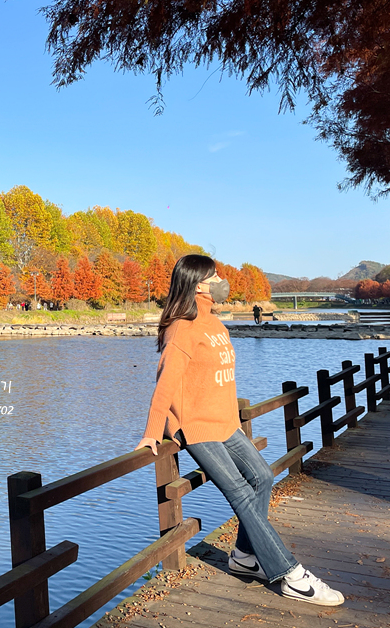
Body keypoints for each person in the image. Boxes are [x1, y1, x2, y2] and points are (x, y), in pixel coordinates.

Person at [135, 255, 345, 606]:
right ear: (198, 284)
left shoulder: (214, 323)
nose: (222, 279)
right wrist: (153, 430)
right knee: (240, 493)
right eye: (214, 275)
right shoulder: (182, 327)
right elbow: (164, 385)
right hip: (196, 427)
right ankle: (290, 574)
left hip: (225, 422)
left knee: (262, 476)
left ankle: (245, 557)